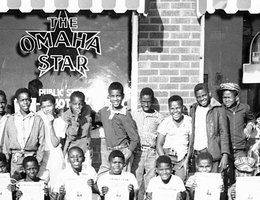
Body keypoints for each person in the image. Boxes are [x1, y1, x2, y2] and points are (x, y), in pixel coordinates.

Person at [95, 82, 139, 176]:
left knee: (122, 180)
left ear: (123, 96)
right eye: (113, 96)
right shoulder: (104, 112)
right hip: (109, 151)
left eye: (118, 96)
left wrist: (128, 152)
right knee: (101, 177)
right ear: (109, 97)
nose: (115, 99)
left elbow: (134, 138)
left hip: (122, 151)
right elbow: (94, 119)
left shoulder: (125, 115)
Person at [3, 88, 45, 178]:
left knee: (30, 187)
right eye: (22, 100)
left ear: (30, 100)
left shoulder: (37, 119)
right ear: (17, 102)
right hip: (16, 161)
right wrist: (6, 160)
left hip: (31, 162)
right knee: (15, 186)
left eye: (27, 100)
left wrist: (37, 161)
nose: (25, 103)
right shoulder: (11, 119)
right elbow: (6, 142)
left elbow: (42, 144)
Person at [131, 87, 164, 200]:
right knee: (136, 179)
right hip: (138, 152)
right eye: (143, 101)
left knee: (150, 179)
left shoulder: (159, 117)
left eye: (148, 101)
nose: (146, 104)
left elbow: (161, 137)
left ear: (153, 101)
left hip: (151, 152)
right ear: (140, 101)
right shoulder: (134, 115)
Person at [190, 83, 230, 173]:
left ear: (209, 93)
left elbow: (224, 132)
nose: (202, 98)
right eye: (199, 96)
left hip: (211, 151)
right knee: (199, 182)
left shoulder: (218, 109)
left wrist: (225, 154)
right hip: (197, 151)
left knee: (213, 181)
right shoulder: (194, 108)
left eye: (204, 95)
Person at [157, 95, 192, 181]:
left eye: (177, 108)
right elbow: (159, 145)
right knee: (166, 183)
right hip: (168, 156)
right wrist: (165, 162)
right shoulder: (166, 122)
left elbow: (191, 144)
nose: (175, 111)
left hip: (181, 160)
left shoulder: (189, 121)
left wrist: (186, 160)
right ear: (169, 109)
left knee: (180, 183)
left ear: (182, 108)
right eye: (172, 109)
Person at [37, 94, 66, 191]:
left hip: (55, 156)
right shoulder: (37, 117)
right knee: (42, 186)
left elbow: (55, 143)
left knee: (54, 187)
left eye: (49, 106)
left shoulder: (60, 121)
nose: (47, 109)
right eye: (44, 107)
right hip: (42, 155)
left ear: (54, 105)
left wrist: (50, 125)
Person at [61, 91, 92, 165]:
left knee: (86, 173)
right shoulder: (66, 116)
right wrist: (75, 119)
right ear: (70, 104)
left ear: (84, 104)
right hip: (73, 149)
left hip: (85, 148)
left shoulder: (87, 110)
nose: (77, 107)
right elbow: (71, 136)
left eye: (80, 104)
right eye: (75, 104)